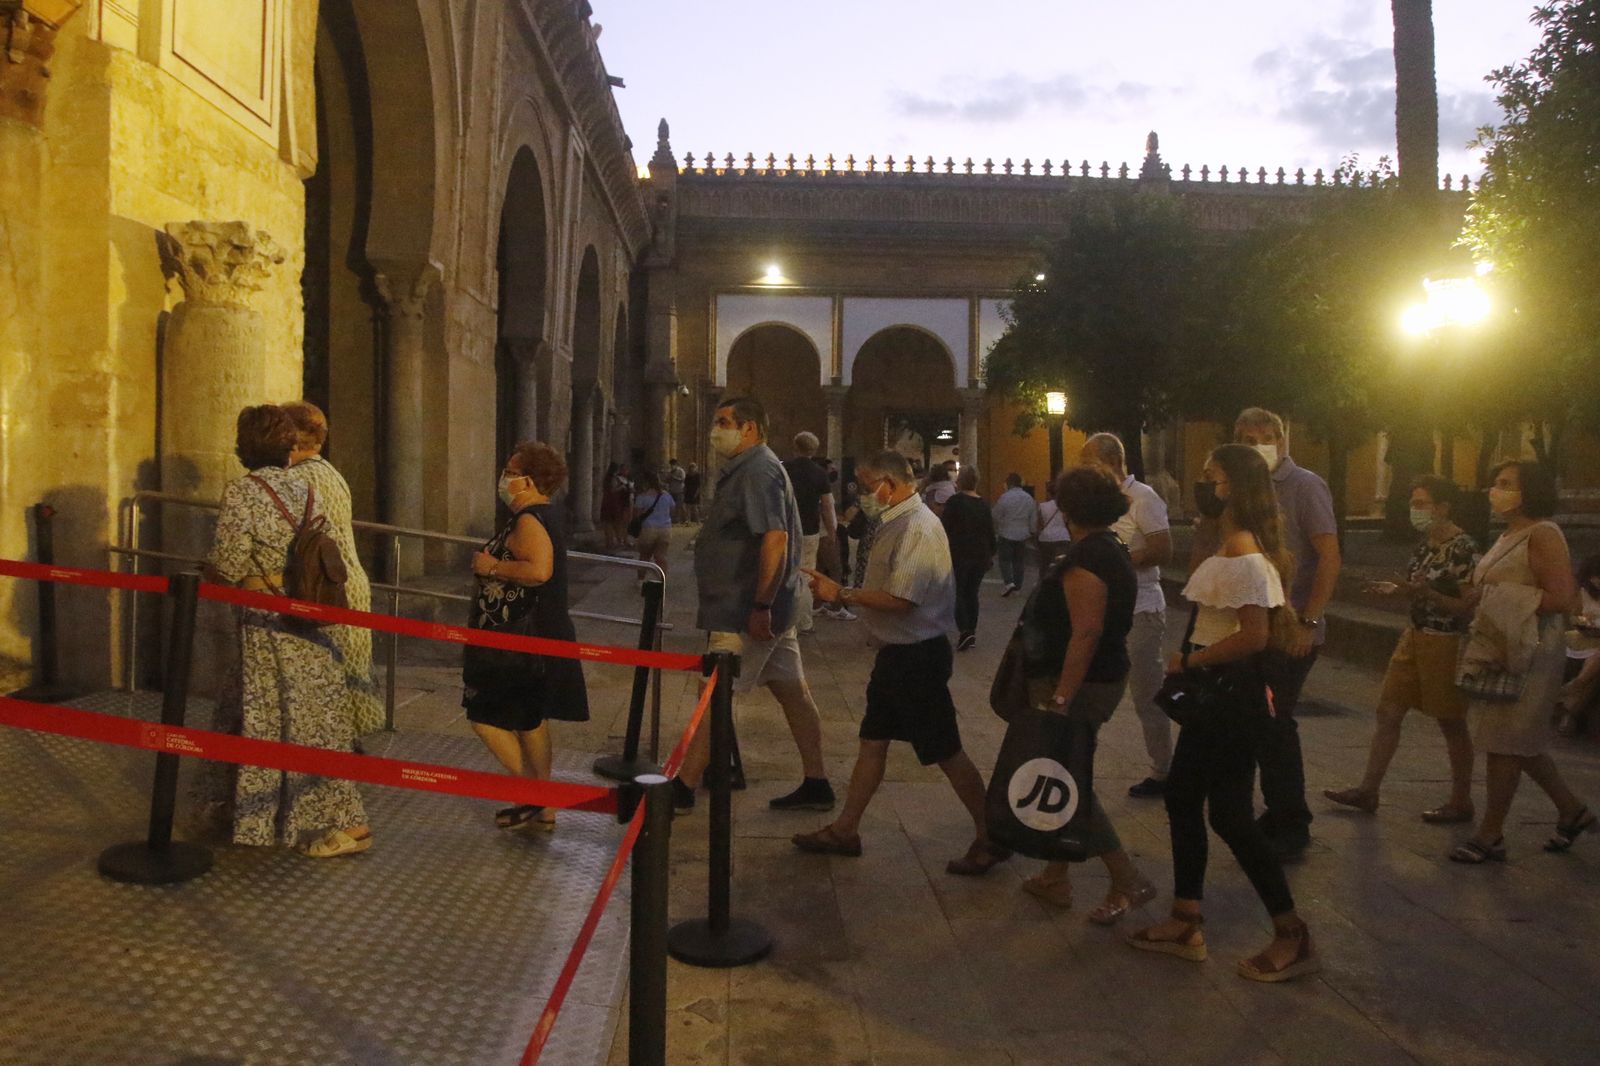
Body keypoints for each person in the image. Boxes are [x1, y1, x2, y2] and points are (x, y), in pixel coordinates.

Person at [1130, 444, 1318, 983]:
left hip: (1230, 700)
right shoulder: (1232, 548)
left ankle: (1290, 932)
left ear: (1231, 486)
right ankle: (1186, 916)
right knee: (1188, 800)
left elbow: (1253, 636)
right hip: (1219, 698)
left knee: (1228, 815)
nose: (1202, 486)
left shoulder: (1244, 557)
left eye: (1209, 477)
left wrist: (1191, 659)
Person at [796, 450, 1008, 875]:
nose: (858, 492)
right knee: (873, 742)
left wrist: (841, 594)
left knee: (947, 751)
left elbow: (901, 599)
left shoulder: (916, 528)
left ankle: (992, 836)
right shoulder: (895, 521)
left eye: (864, 482)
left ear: (889, 485)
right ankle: (846, 829)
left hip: (917, 658)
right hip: (897, 656)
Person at [204, 405, 371, 857]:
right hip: (310, 619)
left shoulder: (243, 492)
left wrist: (206, 575)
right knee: (311, 719)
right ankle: (239, 807)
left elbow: (230, 563)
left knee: (272, 717)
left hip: (267, 621)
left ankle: (345, 824)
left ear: (245, 445)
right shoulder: (307, 487)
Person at [677, 398, 835, 812]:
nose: (716, 429)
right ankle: (817, 782)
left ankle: (683, 785)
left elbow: (775, 538)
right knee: (793, 692)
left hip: (745, 610)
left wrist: (761, 604)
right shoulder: (749, 469)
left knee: (714, 692)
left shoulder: (758, 471)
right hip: (758, 605)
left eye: (723, 422)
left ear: (749, 428)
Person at [1015, 465, 1157, 924]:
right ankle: (1057, 876)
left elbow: (1086, 632)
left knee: (1070, 781)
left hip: (1081, 684)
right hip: (1102, 677)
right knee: (1066, 771)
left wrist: (1061, 697)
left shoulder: (1087, 559)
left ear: (1069, 508)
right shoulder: (1109, 548)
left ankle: (1126, 877)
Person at [1449, 460, 1593, 862]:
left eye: (1505, 483)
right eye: (1496, 482)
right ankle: (1571, 810)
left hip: (1530, 651)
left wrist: (1499, 598)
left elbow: (1561, 597)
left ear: (1529, 491)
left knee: (1505, 743)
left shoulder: (1543, 534)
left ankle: (1490, 834)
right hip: (1501, 646)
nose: (1496, 490)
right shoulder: (1508, 534)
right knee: (1518, 741)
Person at [1324, 476, 1478, 821]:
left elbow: (1466, 604)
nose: (1415, 510)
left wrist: (1428, 594)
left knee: (1451, 722)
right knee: (1388, 711)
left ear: (1443, 507)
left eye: (1422, 504)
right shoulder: (1425, 545)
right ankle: (1368, 790)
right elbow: (1417, 586)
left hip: (1445, 640)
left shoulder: (1462, 547)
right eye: (1413, 503)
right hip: (1414, 634)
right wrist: (1397, 590)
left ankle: (1461, 799)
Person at [465, 442, 590, 833]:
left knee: (484, 716)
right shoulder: (544, 516)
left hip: (516, 640)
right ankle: (543, 807)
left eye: (511, 471)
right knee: (530, 720)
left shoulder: (529, 520)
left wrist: (492, 566)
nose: (505, 478)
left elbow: (539, 571)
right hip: (536, 636)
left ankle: (536, 796)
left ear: (530, 480)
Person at [1234, 407, 1341, 859]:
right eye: (1249, 436)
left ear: (1283, 439)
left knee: (1276, 726)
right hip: (1255, 624)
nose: (1260, 442)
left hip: (1291, 628)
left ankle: (1292, 823)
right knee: (1260, 725)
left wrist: (1309, 618)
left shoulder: (1304, 486)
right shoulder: (1244, 489)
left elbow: (1329, 557)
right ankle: (1277, 810)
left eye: (1267, 435)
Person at [281, 400, 384, 741]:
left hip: (323, 584)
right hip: (348, 579)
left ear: (293, 437)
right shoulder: (329, 472)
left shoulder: (298, 479)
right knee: (347, 671)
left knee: (325, 673)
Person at [1079, 434, 1175, 800]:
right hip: (1105, 608)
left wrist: (1114, 562)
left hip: (1141, 608)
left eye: (1088, 462)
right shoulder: (1102, 501)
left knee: (1146, 693)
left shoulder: (1144, 498)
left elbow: (1162, 548)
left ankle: (1163, 770)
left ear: (1108, 462)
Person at [782, 431, 836, 636]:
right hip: (809, 530)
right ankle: (804, 622)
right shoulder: (819, 473)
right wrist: (832, 532)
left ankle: (783, 620)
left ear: (795, 447)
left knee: (783, 573)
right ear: (814, 450)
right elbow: (827, 506)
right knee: (805, 575)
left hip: (783, 528)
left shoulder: (783, 469)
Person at [941, 466, 996, 651]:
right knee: (972, 593)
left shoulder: (955, 502)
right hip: (980, 555)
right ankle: (971, 630)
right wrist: (991, 552)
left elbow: (944, 528)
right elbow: (990, 530)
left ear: (960, 481)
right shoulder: (984, 504)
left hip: (959, 554)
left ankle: (964, 630)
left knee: (958, 592)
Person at [1555, 553, 1600, 737]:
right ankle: (1574, 694)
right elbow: (1574, 616)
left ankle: (1570, 707)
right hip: (1586, 637)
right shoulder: (1583, 593)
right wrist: (1584, 621)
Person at [992, 472, 1038, 596]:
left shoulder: (1005, 497)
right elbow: (1033, 517)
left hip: (1006, 532)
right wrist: (1032, 531)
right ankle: (1018, 586)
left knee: (1005, 560)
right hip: (1022, 534)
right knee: (1019, 561)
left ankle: (1008, 582)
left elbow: (996, 514)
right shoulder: (1029, 498)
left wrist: (1000, 525)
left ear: (1009, 483)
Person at [630, 468, 676, 576]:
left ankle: (641, 581)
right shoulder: (666, 495)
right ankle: (661, 582)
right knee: (661, 557)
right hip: (665, 529)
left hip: (648, 529)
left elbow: (636, 515)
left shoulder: (642, 497)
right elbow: (673, 510)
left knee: (644, 556)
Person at [1036, 471, 1072, 579]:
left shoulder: (1042, 506)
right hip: (1063, 537)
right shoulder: (1065, 506)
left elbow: (1040, 524)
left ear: (1048, 493)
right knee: (1061, 565)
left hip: (1046, 538)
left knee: (1045, 565)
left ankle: (1044, 585)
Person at [599, 462, 632, 551]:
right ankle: (617, 542)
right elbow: (613, 490)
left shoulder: (606, 478)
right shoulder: (613, 479)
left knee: (608, 523)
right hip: (613, 502)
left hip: (606, 501)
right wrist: (621, 487)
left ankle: (610, 542)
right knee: (615, 523)